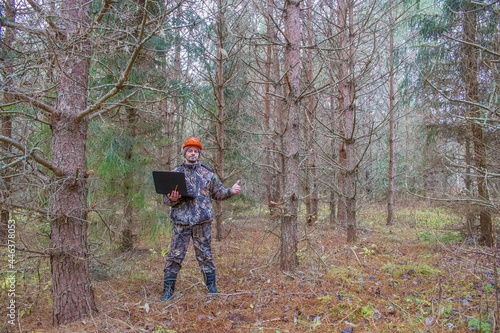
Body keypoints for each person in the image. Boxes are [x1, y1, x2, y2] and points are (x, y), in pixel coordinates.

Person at [161, 137, 241, 301]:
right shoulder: (175, 174)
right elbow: (166, 200)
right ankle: (168, 291)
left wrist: (231, 191)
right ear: (185, 153)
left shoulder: (208, 174)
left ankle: (211, 288)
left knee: (205, 256)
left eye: (195, 151)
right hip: (181, 223)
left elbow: (218, 194)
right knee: (174, 256)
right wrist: (173, 198)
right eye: (190, 150)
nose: (192, 153)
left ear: (199, 154)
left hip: (202, 223)